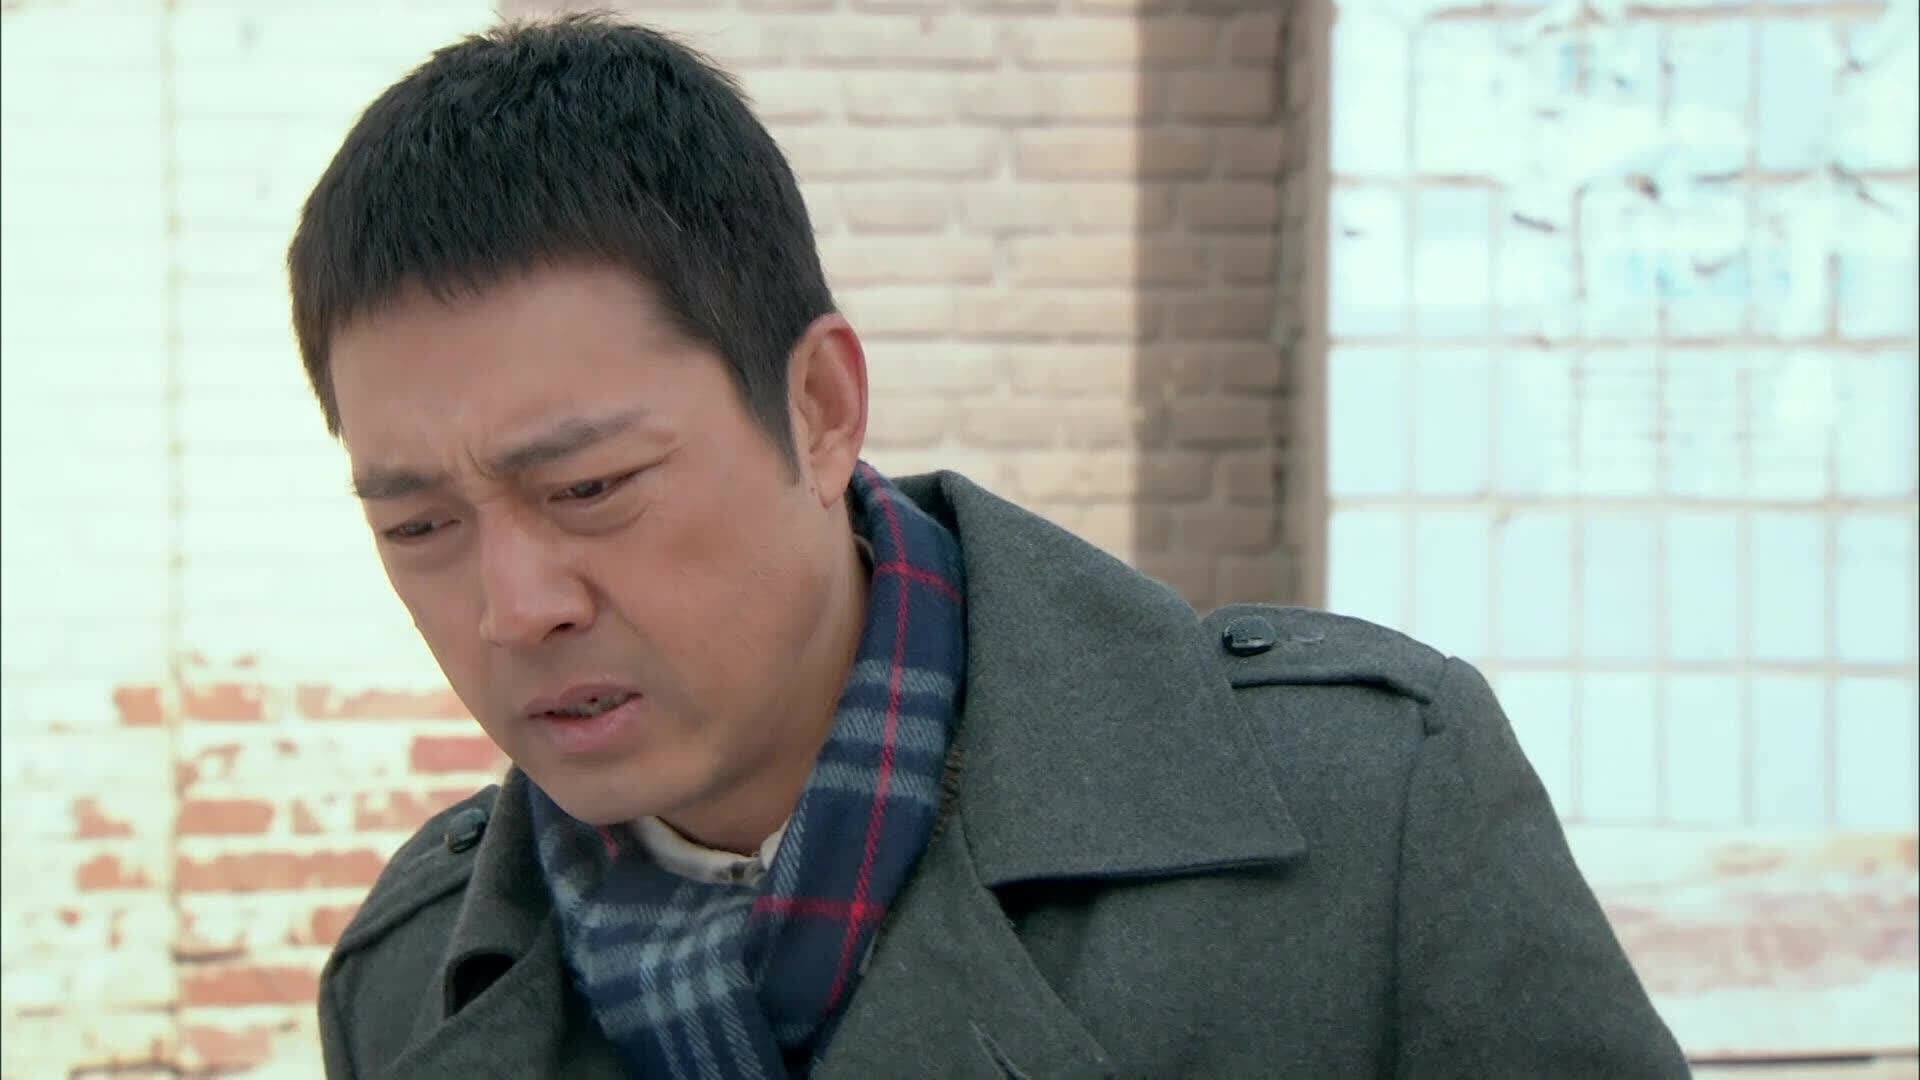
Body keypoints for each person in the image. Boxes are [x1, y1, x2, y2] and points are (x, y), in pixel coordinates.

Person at [289, 13, 1689, 1079]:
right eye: (420, 526)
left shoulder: (1362, 820)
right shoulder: (414, 980)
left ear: (818, 408)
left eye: (591, 487)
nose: (514, 605)